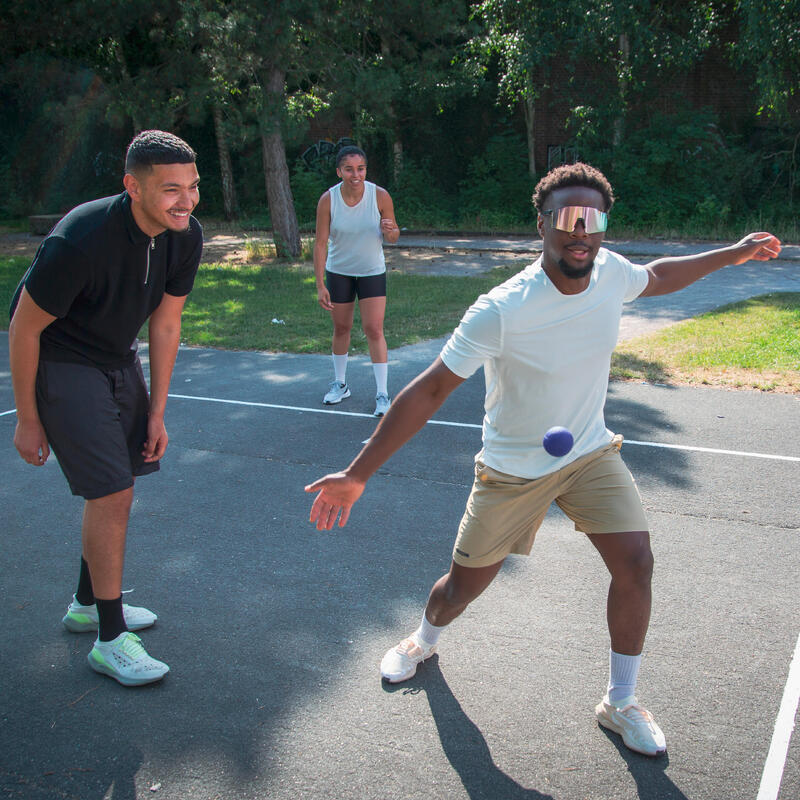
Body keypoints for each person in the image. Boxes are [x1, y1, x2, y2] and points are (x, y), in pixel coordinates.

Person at [305, 162, 782, 756]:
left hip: (588, 453)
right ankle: (424, 639)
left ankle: (620, 701)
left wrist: (734, 252)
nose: (580, 230)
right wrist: (357, 474)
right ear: (543, 225)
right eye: (567, 217)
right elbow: (428, 390)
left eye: (593, 218)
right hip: (511, 470)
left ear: (603, 226)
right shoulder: (503, 308)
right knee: (460, 589)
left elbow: (657, 276)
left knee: (636, 560)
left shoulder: (610, 273)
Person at [8, 130, 203, 687]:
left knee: (118, 485)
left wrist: (158, 411)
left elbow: (166, 322)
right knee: (111, 491)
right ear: (132, 187)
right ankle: (111, 639)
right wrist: (27, 417)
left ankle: (86, 604)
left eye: (192, 187)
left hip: (119, 357)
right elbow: (24, 326)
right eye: (170, 189)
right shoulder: (81, 238)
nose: (184, 201)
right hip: (61, 358)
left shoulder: (182, 236)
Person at [313, 145, 400, 417]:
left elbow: (394, 236)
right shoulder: (328, 200)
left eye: (360, 168)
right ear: (339, 171)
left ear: (366, 170)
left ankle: (383, 394)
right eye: (349, 169)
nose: (355, 174)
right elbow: (319, 243)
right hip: (339, 271)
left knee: (374, 329)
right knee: (342, 328)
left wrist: (391, 230)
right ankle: (340, 384)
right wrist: (319, 283)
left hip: (372, 271)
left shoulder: (380, 196)